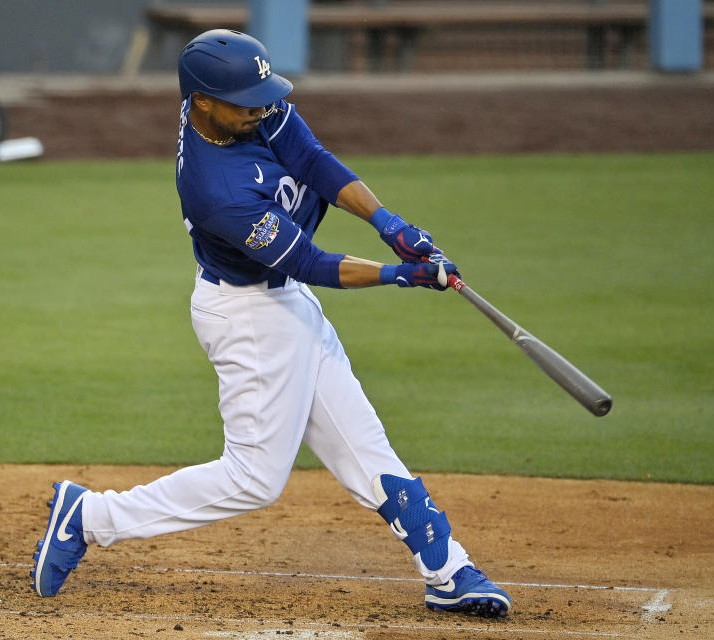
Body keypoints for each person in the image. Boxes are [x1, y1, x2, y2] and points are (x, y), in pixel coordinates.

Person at [31, 29, 511, 618]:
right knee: (254, 479)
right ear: (202, 101)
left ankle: (448, 571)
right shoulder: (216, 189)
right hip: (249, 319)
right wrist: (400, 275)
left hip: (288, 307)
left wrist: (391, 223)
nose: (262, 108)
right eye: (246, 101)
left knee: (366, 450)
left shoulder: (245, 105)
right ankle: (90, 517)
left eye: (264, 95)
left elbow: (314, 161)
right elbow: (309, 262)